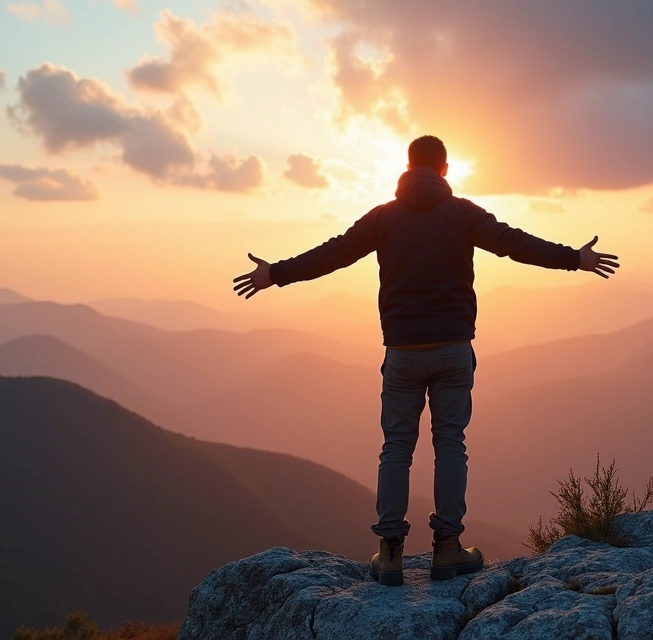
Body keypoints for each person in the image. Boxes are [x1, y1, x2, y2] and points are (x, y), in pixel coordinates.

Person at [233, 135, 619, 586]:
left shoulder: (383, 218)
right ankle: (448, 549)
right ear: (446, 169)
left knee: (396, 448)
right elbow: (515, 243)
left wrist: (274, 273)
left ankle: (390, 553)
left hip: (401, 353)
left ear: (408, 166)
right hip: (454, 349)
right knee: (450, 444)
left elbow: (333, 253)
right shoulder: (464, 214)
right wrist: (574, 258)